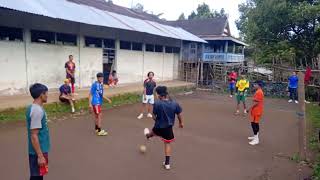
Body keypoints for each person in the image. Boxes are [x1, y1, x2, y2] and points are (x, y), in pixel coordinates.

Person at [143, 86, 184, 170]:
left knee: (153, 133)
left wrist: (156, 118)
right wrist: (181, 123)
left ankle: (148, 136)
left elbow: (154, 116)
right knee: (167, 143)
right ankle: (167, 163)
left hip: (158, 126)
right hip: (168, 128)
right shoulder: (174, 103)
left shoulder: (157, 103)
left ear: (159, 95)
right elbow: (179, 114)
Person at [26, 83, 51, 180]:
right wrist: (40, 156)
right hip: (38, 151)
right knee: (36, 176)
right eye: (46, 93)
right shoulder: (37, 111)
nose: (47, 95)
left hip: (39, 149)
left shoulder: (34, 108)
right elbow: (34, 135)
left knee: (37, 175)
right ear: (41, 95)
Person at [248, 81, 264, 146]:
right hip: (256, 110)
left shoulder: (259, 92)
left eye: (255, 84)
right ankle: (255, 136)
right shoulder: (258, 91)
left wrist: (248, 109)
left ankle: (256, 139)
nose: (254, 85)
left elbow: (256, 103)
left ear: (259, 85)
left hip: (257, 110)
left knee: (254, 124)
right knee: (254, 123)